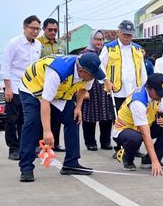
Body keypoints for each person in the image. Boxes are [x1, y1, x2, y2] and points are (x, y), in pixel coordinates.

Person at [18, 53, 111, 182]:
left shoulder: (89, 73)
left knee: (73, 118)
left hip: (58, 93)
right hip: (33, 88)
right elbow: (45, 101)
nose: (94, 78)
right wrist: (47, 131)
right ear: (80, 71)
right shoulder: (58, 72)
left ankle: (71, 163)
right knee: (32, 123)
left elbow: (84, 89)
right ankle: (26, 167)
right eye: (92, 75)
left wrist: (78, 107)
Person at [112, 73, 163, 175]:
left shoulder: (157, 95)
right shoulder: (138, 102)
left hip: (145, 126)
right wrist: (155, 161)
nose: (161, 97)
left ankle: (148, 160)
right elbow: (145, 134)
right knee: (135, 138)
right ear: (148, 88)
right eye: (158, 93)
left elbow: (161, 110)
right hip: (125, 130)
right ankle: (127, 157)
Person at [99, 20, 147, 157]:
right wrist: (106, 81)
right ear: (118, 33)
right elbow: (100, 66)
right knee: (119, 121)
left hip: (134, 92)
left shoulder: (137, 48)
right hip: (117, 91)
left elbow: (142, 69)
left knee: (135, 120)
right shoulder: (109, 47)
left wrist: (143, 86)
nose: (127, 37)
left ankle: (134, 147)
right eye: (125, 34)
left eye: (130, 35)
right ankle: (119, 149)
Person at [1, 15, 42, 160]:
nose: (35, 31)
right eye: (32, 28)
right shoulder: (14, 43)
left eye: (38, 29)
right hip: (14, 85)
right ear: (24, 28)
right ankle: (13, 148)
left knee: (26, 120)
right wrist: (8, 88)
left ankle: (26, 147)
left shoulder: (38, 45)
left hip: (30, 88)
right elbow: (6, 65)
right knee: (12, 119)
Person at [81, 30, 113, 151]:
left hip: (104, 87)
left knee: (107, 115)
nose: (99, 42)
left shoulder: (107, 52)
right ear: (91, 39)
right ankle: (90, 142)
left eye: (101, 39)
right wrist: (84, 91)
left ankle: (105, 142)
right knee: (89, 116)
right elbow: (81, 73)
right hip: (90, 86)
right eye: (97, 39)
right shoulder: (84, 53)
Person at [37, 18, 66, 152]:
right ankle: (40, 143)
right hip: (41, 84)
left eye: (55, 30)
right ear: (44, 29)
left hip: (58, 84)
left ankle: (55, 143)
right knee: (41, 115)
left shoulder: (61, 43)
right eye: (50, 30)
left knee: (56, 116)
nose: (53, 32)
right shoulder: (38, 43)